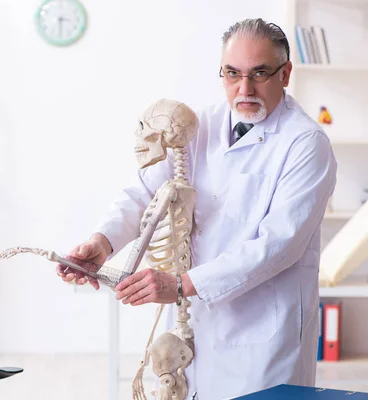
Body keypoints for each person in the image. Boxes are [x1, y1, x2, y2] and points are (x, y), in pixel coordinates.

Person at [57, 18, 337, 399]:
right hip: (194, 322)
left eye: (259, 74)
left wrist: (182, 285)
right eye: (232, 74)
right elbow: (144, 191)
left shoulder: (306, 144)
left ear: (285, 74)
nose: (244, 89)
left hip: (262, 332)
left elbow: (278, 245)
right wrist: (101, 242)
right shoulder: (199, 124)